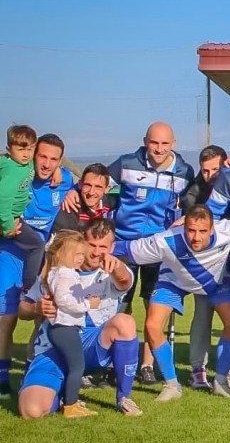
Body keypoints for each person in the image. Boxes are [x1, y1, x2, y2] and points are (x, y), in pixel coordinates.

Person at [67, 122, 195, 384]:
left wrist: (187, 217)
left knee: (154, 306)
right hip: (124, 245)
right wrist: (73, 189)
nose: (158, 149)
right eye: (153, 143)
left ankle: (147, 365)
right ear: (145, 141)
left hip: (158, 248)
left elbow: (195, 199)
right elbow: (97, 183)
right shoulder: (126, 163)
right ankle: (110, 363)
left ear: (173, 144)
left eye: (164, 144)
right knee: (116, 304)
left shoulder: (185, 170)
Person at [114, 205, 230, 401]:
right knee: (151, 325)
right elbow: (127, 249)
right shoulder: (165, 240)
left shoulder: (229, 229)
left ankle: (221, 380)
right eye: (191, 230)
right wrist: (93, 249)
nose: (196, 237)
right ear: (183, 227)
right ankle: (172, 384)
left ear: (213, 228)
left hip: (213, 283)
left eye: (202, 231)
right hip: (173, 281)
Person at [18, 217, 141, 418]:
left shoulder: (113, 270)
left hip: (92, 346)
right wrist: (37, 308)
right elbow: (22, 310)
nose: (96, 252)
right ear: (81, 242)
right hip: (54, 348)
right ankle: (59, 392)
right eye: (91, 244)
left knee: (124, 322)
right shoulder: (57, 271)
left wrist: (117, 265)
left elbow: (124, 280)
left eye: (103, 246)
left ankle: (123, 398)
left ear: (112, 247)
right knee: (30, 411)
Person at [0, 133, 74, 398]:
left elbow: (77, 186)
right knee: (6, 320)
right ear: (32, 154)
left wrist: (70, 191)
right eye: (42, 156)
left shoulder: (64, 179)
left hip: (41, 260)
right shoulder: (18, 177)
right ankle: (2, 380)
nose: (46, 163)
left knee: (42, 316)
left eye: (53, 159)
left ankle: (32, 374)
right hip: (10, 256)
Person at [178, 145, 226, 390]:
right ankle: (198, 369)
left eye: (215, 169)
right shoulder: (195, 192)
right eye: (205, 171)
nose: (211, 175)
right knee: (203, 315)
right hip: (206, 264)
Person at [39, 231, 99, 417]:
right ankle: (71, 405)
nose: (81, 258)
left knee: (73, 366)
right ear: (60, 254)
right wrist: (89, 304)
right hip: (65, 328)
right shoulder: (65, 274)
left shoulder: (60, 273)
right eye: (76, 254)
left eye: (82, 254)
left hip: (63, 328)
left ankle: (68, 400)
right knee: (77, 366)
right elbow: (64, 300)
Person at [0, 125, 46, 292]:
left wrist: (57, 173)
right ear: (9, 149)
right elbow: (2, 200)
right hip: (8, 218)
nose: (26, 154)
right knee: (37, 246)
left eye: (30, 149)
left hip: (12, 216)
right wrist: (7, 227)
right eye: (20, 149)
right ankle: (29, 288)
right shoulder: (13, 171)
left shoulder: (23, 163)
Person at [52, 163, 118, 233]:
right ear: (80, 184)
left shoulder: (110, 202)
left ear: (106, 189)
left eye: (98, 187)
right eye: (87, 185)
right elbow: (61, 241)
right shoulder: (70, 209)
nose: (91, 192)